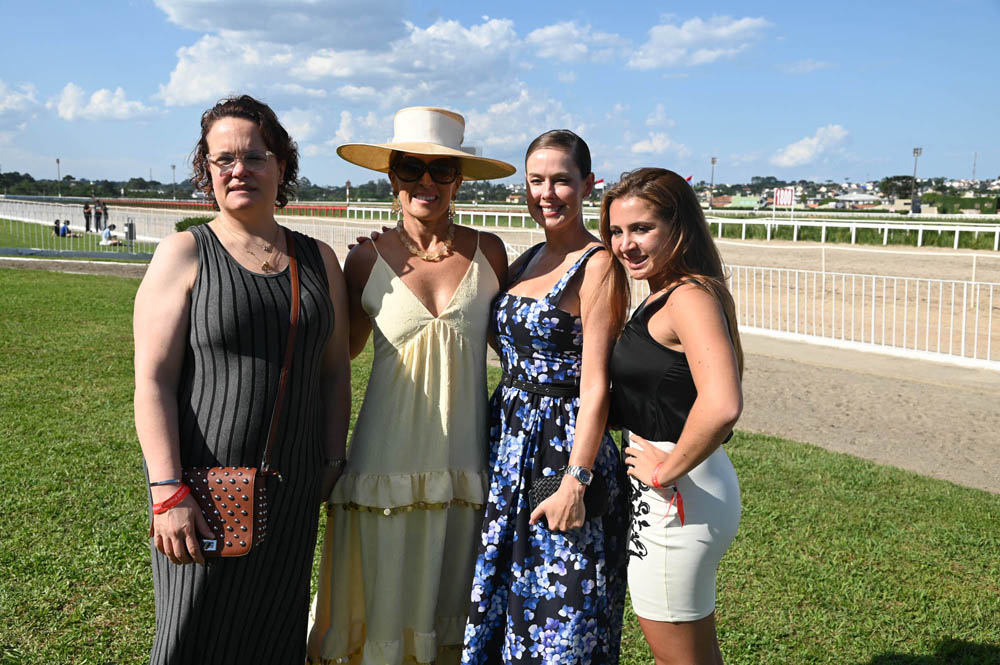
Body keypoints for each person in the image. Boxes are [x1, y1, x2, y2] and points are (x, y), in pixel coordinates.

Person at [133, 94, 350, 665]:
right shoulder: (184, 253)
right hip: (201, 491)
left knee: (274, 637)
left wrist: (331, 462)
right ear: (206, 170)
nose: (238, 170)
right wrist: (167, 492)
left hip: (292, 487)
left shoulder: (318, 260)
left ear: (282, 166)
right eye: (223, 159)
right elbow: (153, 382)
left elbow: (333, 372)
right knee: (190, 638)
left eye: (255, 157)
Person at [308, 107, 515, 665]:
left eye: (441, 169)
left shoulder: (490, 252)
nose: (426, 181)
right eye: (411, 167)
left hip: (463, 466)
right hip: (384, 463)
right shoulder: (364, 258)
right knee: (383, 611)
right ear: (392, 176)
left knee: (452, 612)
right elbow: (340, 356)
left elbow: (523, 350)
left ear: (459, 180)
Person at [462, 130, 629, 663]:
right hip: (509, 443)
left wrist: (576, 481)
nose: (547, 193)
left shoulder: (597, 264)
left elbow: (596, 383)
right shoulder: (529, 258)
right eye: (537, 181)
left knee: (561, 606)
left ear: (587, 185)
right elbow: (508, 339)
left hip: (561, 448)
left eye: (561, 180)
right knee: (507, 595)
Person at [602, 168, 743, 665]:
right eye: (616, 231)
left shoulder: (687, 297)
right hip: (680, 492)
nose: (626, 244)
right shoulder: (664, 293)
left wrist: (665, 470)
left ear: (678, 226)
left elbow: (723, 404)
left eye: (641, 228)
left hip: (677, 495)